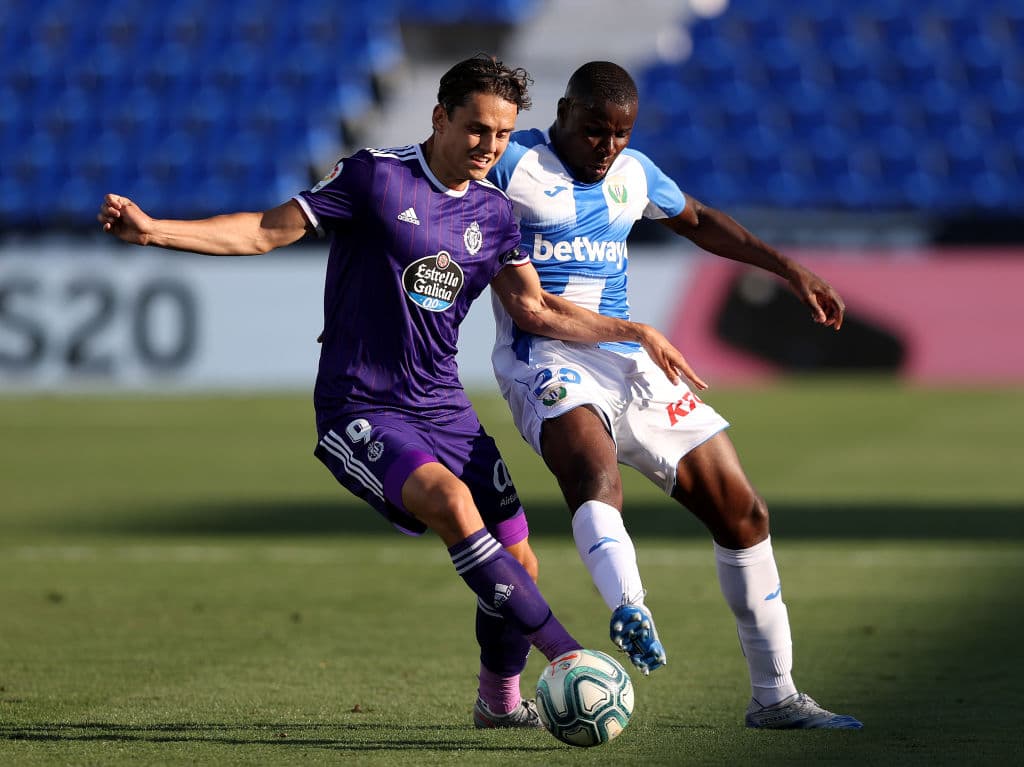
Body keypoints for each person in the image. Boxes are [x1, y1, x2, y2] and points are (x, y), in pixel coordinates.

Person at [97, 54, 694, 730]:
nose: (489, 147)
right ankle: (568, 654)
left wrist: (634, 330)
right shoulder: (374, 177)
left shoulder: (497, 215)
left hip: (444, 406)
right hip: (360, 405)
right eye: (476, 130)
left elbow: (536, 308)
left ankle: (497, 702)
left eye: (501, 135)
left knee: (519, 555)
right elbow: (265, 231)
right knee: (451, 500)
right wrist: (154, 231)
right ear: (439, 116)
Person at [486, 61, 863, 729]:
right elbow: (434, 185)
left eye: (621, 134)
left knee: (743, 512)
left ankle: (776, 697)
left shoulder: (634, 175)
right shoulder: (513, 162)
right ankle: (628, 603)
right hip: (547, 358)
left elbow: (699, 219)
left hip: (637, 362)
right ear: (564, 114)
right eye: (596, 131)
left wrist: (786, 267)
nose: (607, 147)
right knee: (593, 475)